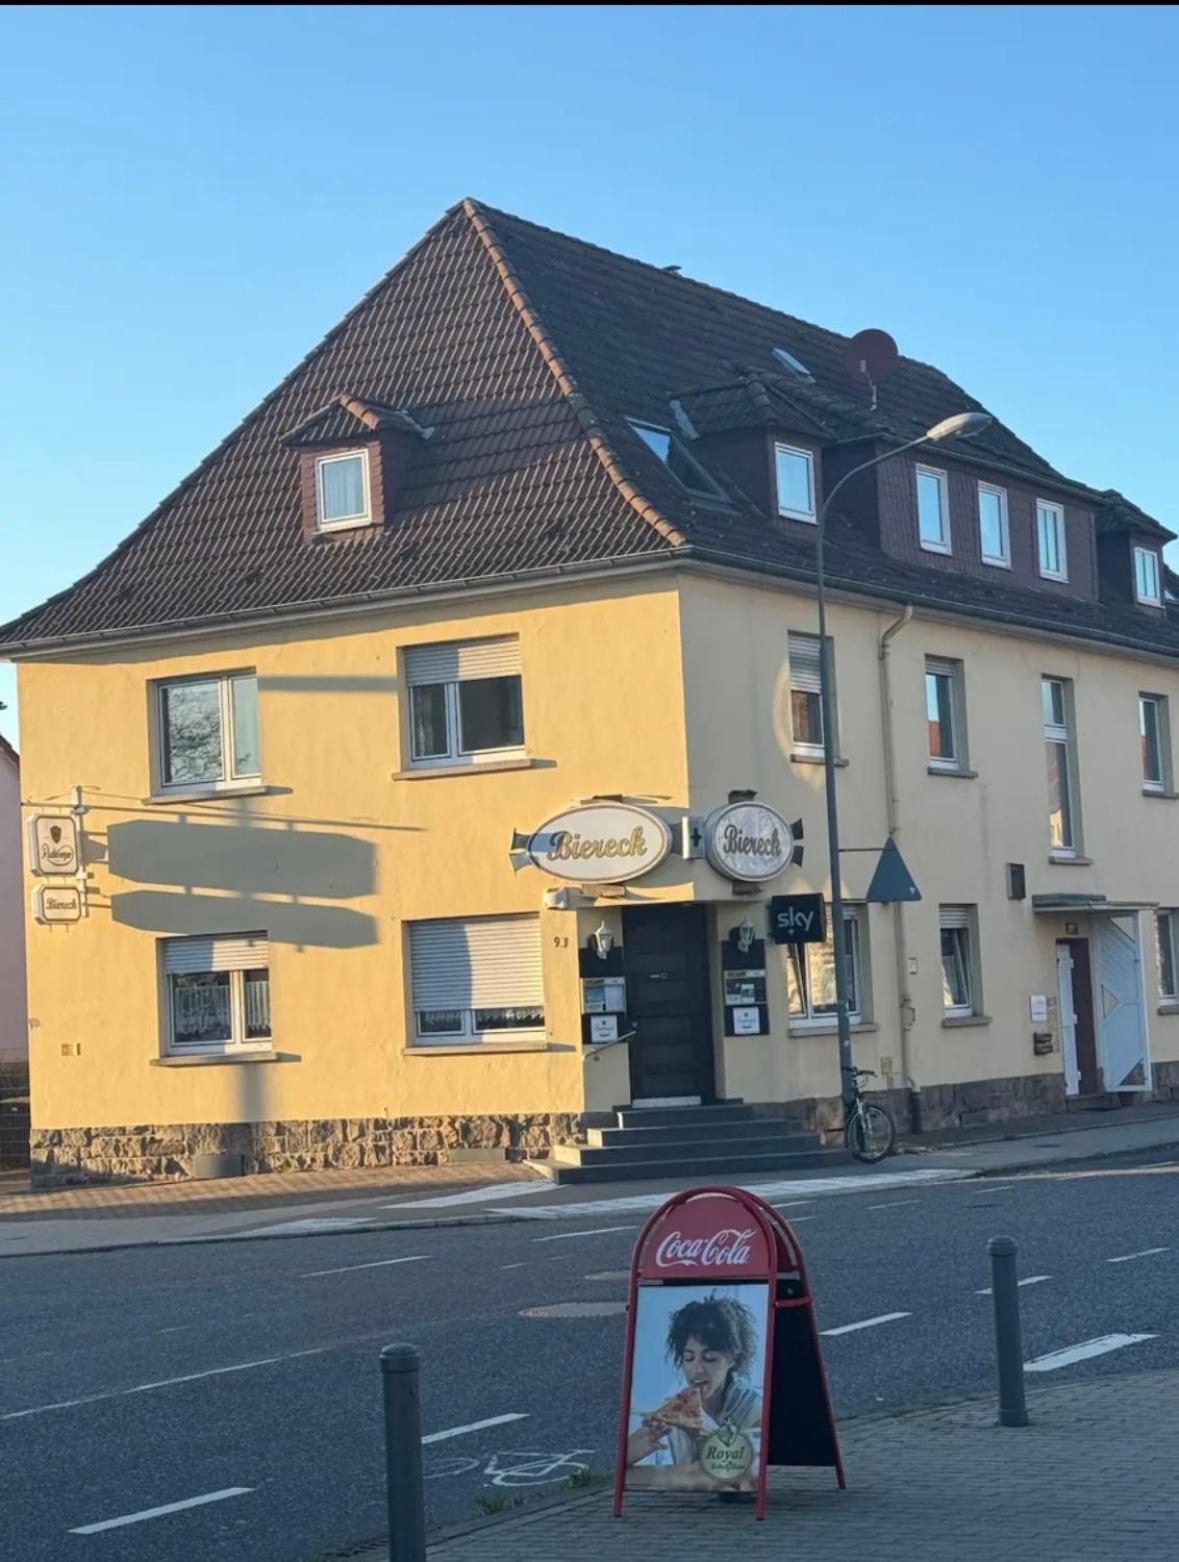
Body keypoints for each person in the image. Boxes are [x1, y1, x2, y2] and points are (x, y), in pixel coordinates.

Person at [626, 1293, 763, 1489]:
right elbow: (622, 1472)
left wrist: (709, 1436)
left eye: (709, 1358)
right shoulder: (678, 1407)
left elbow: (749, 1483)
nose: (696, 1370)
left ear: (732, 1359)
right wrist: (635, 1447)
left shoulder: (754, 1409)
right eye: (689, 1358)